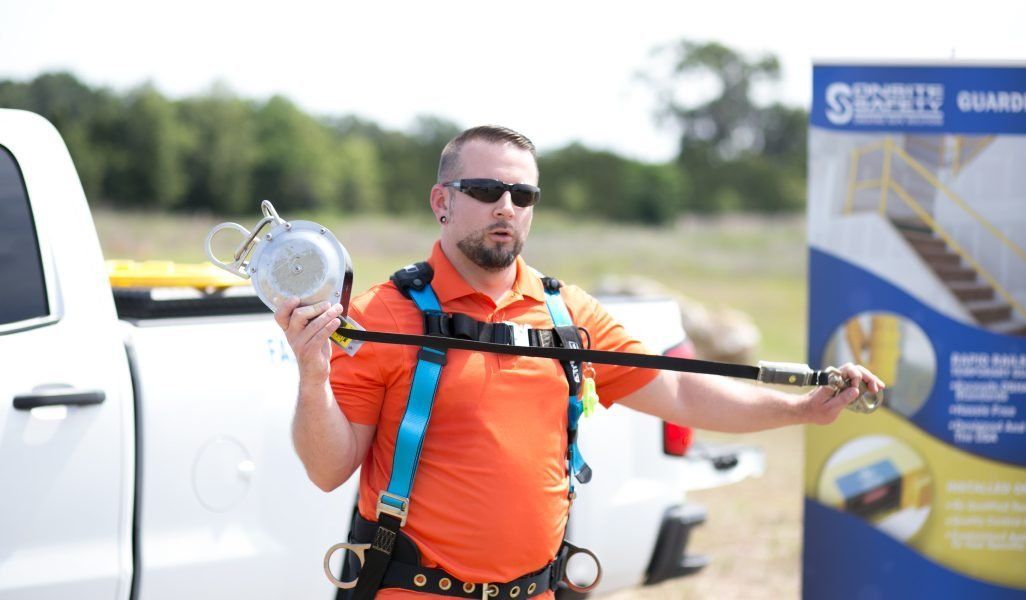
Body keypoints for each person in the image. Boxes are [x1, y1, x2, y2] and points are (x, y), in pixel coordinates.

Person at [275, 125, 884, 599]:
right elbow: (329, 468)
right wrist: (312, 375)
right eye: (486, 191)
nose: (506, 207)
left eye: (523, 194)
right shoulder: (382, 314)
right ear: (442, 200)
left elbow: (683, 394)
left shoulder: (569, 313)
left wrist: (800, 408)